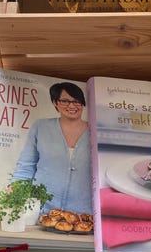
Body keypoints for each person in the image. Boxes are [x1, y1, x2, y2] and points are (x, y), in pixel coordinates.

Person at [11, 82, 92, 215]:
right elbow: (25, 166)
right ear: (55, 102)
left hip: (83, 215)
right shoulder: (41, 127)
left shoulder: (96, 132)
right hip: (41, 211)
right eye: (65, 101)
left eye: (77, 101)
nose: (72, 106)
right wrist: (14, 199)